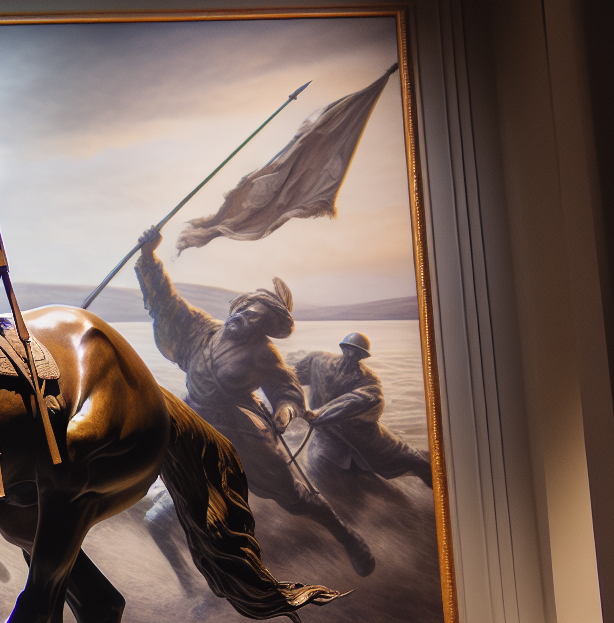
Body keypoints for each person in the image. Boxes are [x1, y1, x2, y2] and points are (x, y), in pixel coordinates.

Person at [135, 230, 375, 575]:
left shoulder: (263, 352)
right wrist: (149, 257)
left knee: (292, 496)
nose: (245, 315)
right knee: (157, 470)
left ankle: (346, 535)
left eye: (256, 316)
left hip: (239, 429)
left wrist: (285, 410)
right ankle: (194, 573)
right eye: (246, 308)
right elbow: (168, 303)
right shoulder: (204, 329)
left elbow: (287, 389)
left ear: (263, 327)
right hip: (193, 418)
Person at [294, 332, 434, 487]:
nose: (352, 354)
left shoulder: (369, 380)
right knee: (317, 466)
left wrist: (318, 414)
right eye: (349, 349)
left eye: (358, 352)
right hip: (327, 434)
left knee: (413, 460)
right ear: (343, 348)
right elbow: (291, 378)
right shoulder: (318, 361)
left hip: (363, 435)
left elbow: (353, 402)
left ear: (363, 356)